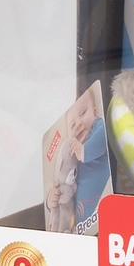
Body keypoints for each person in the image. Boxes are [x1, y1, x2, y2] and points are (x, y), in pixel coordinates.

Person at [46, 86, 110, 230]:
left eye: (83, 113)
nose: (79, 124)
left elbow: (104, 137)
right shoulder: (71, 154)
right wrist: (51, 200)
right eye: (73, 125)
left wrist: (84, 151)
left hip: (104, 213)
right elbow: (62, 180)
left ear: (94, 112)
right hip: (80, 225)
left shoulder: (97, 127)